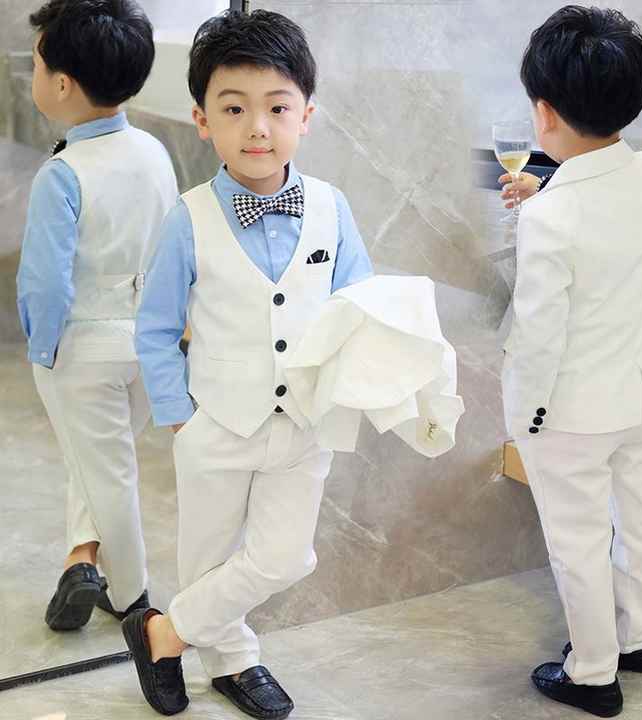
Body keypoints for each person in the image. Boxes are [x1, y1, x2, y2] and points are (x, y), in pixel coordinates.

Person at [124, 9, 373, 717]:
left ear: (306, 116)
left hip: (304, 425)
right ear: (202, 120)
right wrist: (180, 417)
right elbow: (155, 327)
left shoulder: (332, 209)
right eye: (234, 109)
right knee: (206, 557)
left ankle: (163, 633)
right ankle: (233, 660)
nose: (257, 128)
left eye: (277, 108)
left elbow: (360, 308)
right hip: (215, 421)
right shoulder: (188, 217)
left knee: (286, 556)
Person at [501, 5, 642, 717]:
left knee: (577, 539)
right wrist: (547, 190)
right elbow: (606, 205)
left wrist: (525, 413)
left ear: (544, 113)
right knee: (639, 517)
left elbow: (539, 334)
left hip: (573, 407)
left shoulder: (549, 218)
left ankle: (594, 674)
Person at [16, 0, 178, 631]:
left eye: (37, 66)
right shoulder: (155, 151)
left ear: (61, 85)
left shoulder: (62, 173)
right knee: (101, 459)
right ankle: (81, 560)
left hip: (83, 348)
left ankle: (134, 601)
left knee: (107, 474)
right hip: (148, 343)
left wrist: (44, 351)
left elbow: (45, 282)